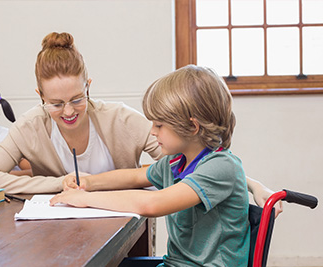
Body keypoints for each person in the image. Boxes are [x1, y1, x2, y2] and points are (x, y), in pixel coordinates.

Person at [0, 32, 282, 217]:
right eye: (55, 103)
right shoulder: (30, 126)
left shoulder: (122, 120)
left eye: (77, 99)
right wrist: (72, 183)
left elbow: (195, 169)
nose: (68, 111)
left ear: (89, 86)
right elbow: (136, 175)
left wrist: (254, 184)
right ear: (40, 96)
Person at [51, 65, 250, 266]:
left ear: (192, 126)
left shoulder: (221, 166)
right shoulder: (176, 162)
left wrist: (86, 199)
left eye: (159, 125)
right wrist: (87, 182)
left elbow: (151, 204)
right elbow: (136, 176)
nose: (152, 131)